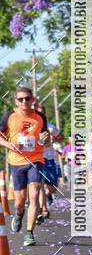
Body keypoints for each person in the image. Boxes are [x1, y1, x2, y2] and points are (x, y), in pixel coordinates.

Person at [0, 87, 50, 246]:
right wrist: (9, 144)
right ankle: (19, 214)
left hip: (35, 160)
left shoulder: (40, 117)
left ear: (32, 99)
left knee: (35, 192)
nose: (24, 102)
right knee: (19, 201)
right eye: (21, 99)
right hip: (16, 161)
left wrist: (46, 138)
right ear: (16, 101)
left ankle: (29, 233)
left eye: (27, 98)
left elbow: (46, 140)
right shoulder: (9, 116)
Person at [31, 99, 63, 220]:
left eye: (42, 113)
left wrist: (55, 138)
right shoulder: (33, 126)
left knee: (52, 187)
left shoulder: (50, 127)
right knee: (40, 185)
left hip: (50, 159)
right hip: (39, 159)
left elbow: (61, 138)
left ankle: (49, 195)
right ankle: (44, 209)